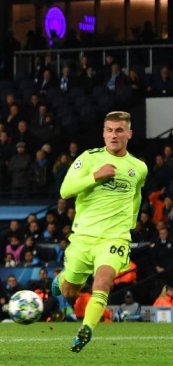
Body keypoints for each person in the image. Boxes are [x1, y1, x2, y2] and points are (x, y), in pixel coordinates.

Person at [52, 111, 147, 353]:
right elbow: (65, 190)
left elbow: (136, 197)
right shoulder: (89, 158)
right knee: (69, 292)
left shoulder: (139, 167)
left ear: (129, 134)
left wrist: (131, 223)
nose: (114, 135)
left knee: (103, 280)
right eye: (109, 130)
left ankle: (86, 329)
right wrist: (96, 176)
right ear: (103, 133)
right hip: (84, 237)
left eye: (119, 130)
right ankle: (61, 279)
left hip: (115, 237)